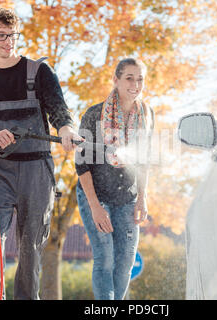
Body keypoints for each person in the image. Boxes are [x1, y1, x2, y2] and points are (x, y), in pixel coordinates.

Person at [0, 8, 82, 300]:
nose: (8, 42)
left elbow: (59, 110)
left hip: (37, 172)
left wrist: (67, 130)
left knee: (31, 245)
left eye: (12, 35)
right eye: (1, 36)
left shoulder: (39, 72)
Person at [75, 57, 154, 300]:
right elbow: (81, 164)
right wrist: (95, 207)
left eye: (140, 79)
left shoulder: (147, 114)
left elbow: (144, 160)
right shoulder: (94, 114)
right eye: (129, 78)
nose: (135, 84)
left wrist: (142, 198)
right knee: (105, 258)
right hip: (95, 194)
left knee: (125, 263)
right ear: (116, 80)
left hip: (127, 198)